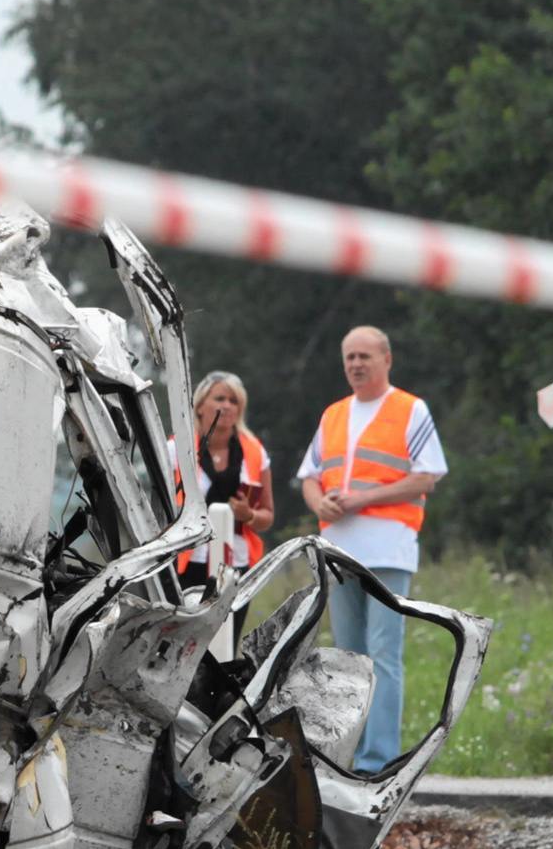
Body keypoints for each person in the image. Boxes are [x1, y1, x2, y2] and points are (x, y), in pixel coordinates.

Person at [303, 325, 445, 772]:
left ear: (387, 359)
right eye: (349, 357)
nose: (356, 364)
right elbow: (310, 477)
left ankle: (377, 759)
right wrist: (319, 502)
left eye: (364, 356)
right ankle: (349, 757)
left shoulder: (410, 409)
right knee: (348, 658)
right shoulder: (333, 415)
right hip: (339, 551)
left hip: (388, 548)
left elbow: (427, 477)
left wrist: (361, 499)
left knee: (383, 655)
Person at [176, 370, 273, 576]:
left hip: (237, 563)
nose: (227, 405)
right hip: (186, 561)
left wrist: (249, 515)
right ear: (199, 406)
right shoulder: (176, 449)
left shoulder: (255, 451)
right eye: (220, 398)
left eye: (234, 401)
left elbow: (267, 515)